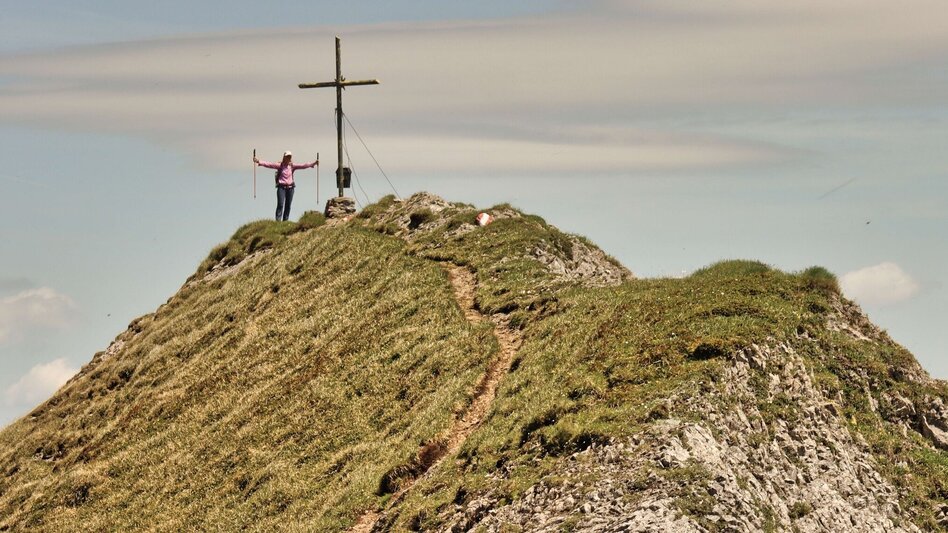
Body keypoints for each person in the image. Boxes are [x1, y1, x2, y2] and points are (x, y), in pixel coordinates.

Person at [253, 151, 318, 221]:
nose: (288, 158)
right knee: (280, 204)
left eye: (290, 157)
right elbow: (269, 164)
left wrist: (313, 163)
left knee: (288, 206)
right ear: (284, 157)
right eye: (287, 157)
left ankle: (285, 221)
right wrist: (258, 161)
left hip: (290, 188)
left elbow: (303, 165)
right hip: (281, 188)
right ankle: (278, 221)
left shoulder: (292, 166)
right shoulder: (280, 165)